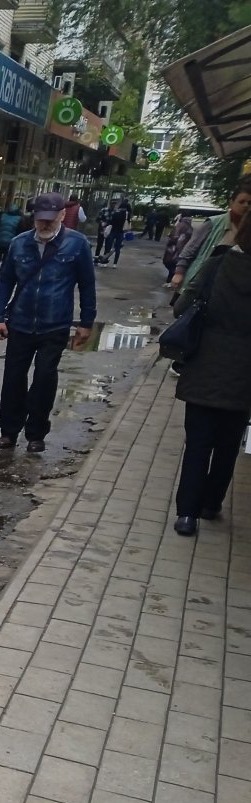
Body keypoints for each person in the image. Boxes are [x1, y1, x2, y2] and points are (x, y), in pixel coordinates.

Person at [0, 191, 97, 454]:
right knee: (13, 378)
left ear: (62, 215)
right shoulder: (18, 243)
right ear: (34, 217)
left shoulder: (77, 244)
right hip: (20, 322)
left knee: (45, 377)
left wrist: (86, 322)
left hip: (55, 323)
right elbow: (6, 282)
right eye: (41, 219)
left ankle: (36, 433)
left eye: (51, 219)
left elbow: (87, 284)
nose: (46, 224)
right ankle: (9, 432)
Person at [168, 210, 251, 537]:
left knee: (198, 442)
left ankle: (186, 515)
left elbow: (180, 307)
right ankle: (211, 502)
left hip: (205, 363)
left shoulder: (217, 264)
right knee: (229, 441)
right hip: (245, 372)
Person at [171, 177, 251, 297]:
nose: (246, 206)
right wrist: (179, 273)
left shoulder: (248, 229)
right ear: (231, 202)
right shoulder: (213, 223)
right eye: (241, 202)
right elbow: (190, 249)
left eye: (250, 203)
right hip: (203, 283)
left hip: (230, 288)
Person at [0, 201, 25, 275]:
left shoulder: (2, 216)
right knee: (6, 258)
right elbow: (20, 231)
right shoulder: (19, 219)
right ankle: (2, 272)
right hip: (10, 242)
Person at [162, 211, 194, 286]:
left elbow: (176, 237)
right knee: (174, 264)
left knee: (170, 263)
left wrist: (171, 239)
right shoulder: (190, 226)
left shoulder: (180, 225)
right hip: (184, 248)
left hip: (175, 249)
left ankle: (170, 282)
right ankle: (171, 281)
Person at [101, 200, 129, 267]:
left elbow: (111, 222)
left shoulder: (115, 213)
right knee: (117, 248)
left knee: (108, 247)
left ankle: (105, 262)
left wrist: (105, 226)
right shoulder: (127, 215)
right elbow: (128, 224)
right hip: (121, 232)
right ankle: (115, 264)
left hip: (113, 231)